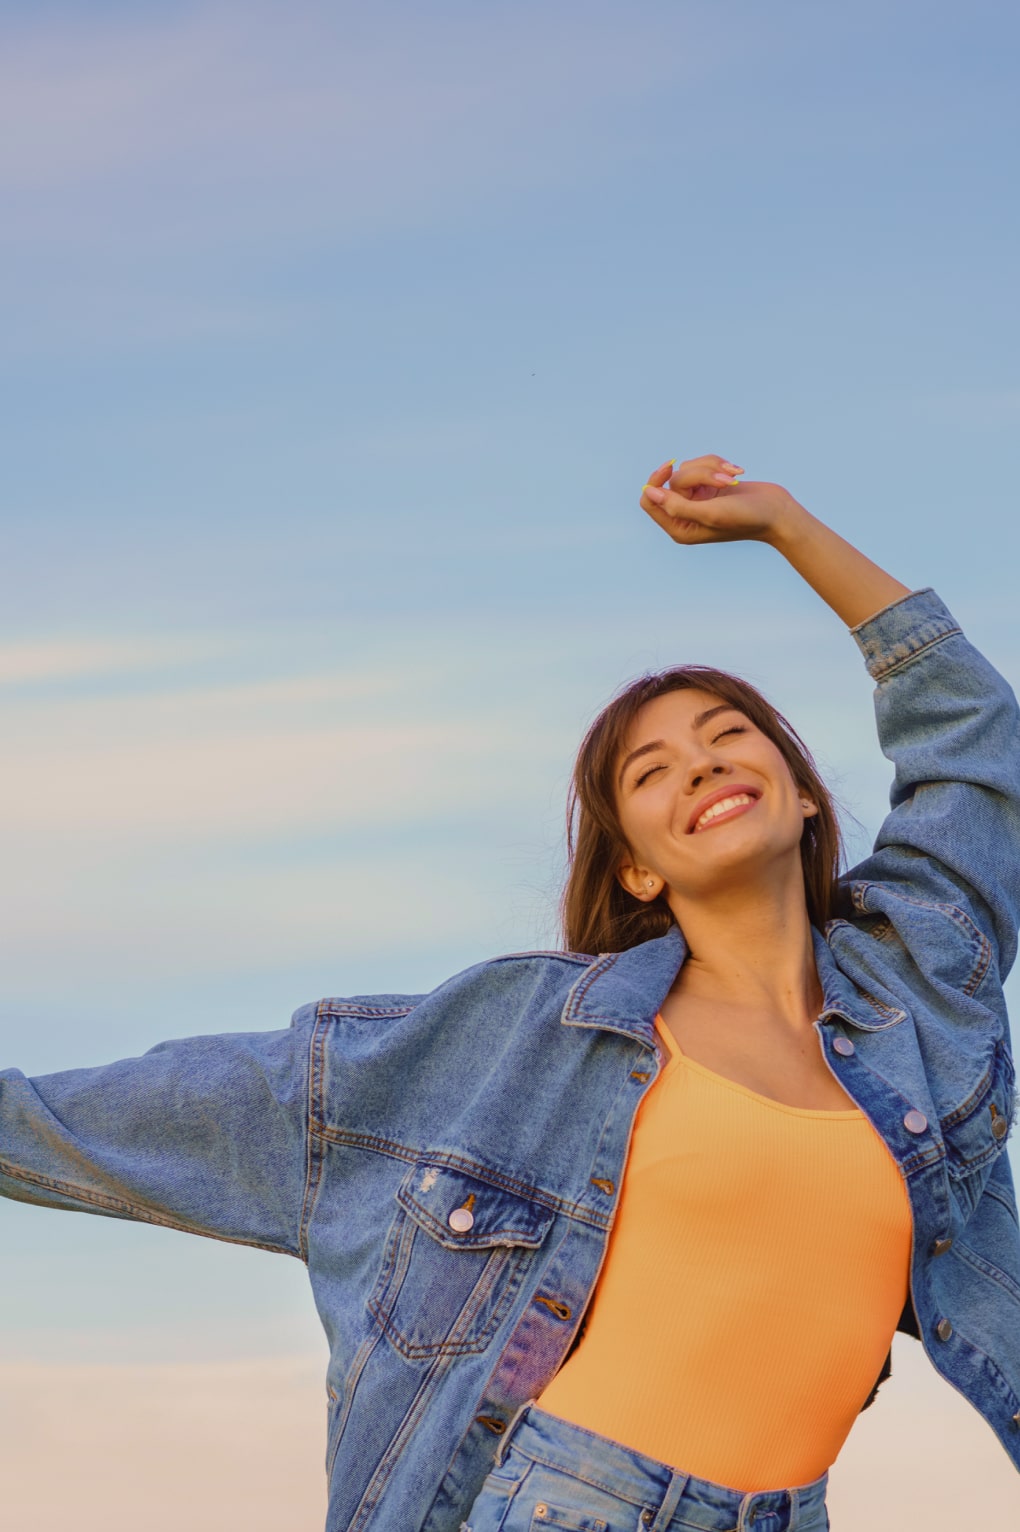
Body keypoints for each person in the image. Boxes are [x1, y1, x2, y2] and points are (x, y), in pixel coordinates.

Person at [2, 452, 1019, 1532]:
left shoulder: (913, 982)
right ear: (636, 867)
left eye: (728, 738)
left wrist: (786, 526)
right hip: (569, 1503)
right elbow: (242, 1100)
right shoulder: (536, 1034)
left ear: (806, 796)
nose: (702, 768)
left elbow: (974, 737)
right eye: (653, 771)